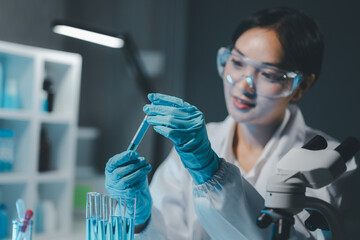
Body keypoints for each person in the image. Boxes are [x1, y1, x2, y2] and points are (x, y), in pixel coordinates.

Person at [105, 6, 359, 239]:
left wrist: (208, 170)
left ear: (300, 85)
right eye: (237, 62)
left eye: (268, 73)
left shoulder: (332, 164)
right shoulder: (196, 143)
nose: (244, 85)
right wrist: (140, 219)